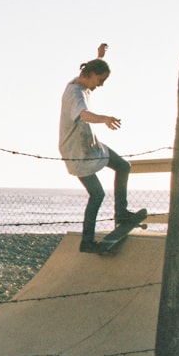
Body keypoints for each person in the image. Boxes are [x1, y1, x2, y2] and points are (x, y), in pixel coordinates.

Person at [58, 43, 138, 253]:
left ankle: (121, 213)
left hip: (91, 145)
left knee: (123, 166)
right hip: (77, 152)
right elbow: (83, 114)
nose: (100, 85)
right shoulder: (75, 94)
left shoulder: (81, 81)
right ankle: (87, 241)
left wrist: (100, 57)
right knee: (97, 194)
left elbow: (88, 71)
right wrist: (104, 119)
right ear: (91, 75)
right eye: (100, 80)